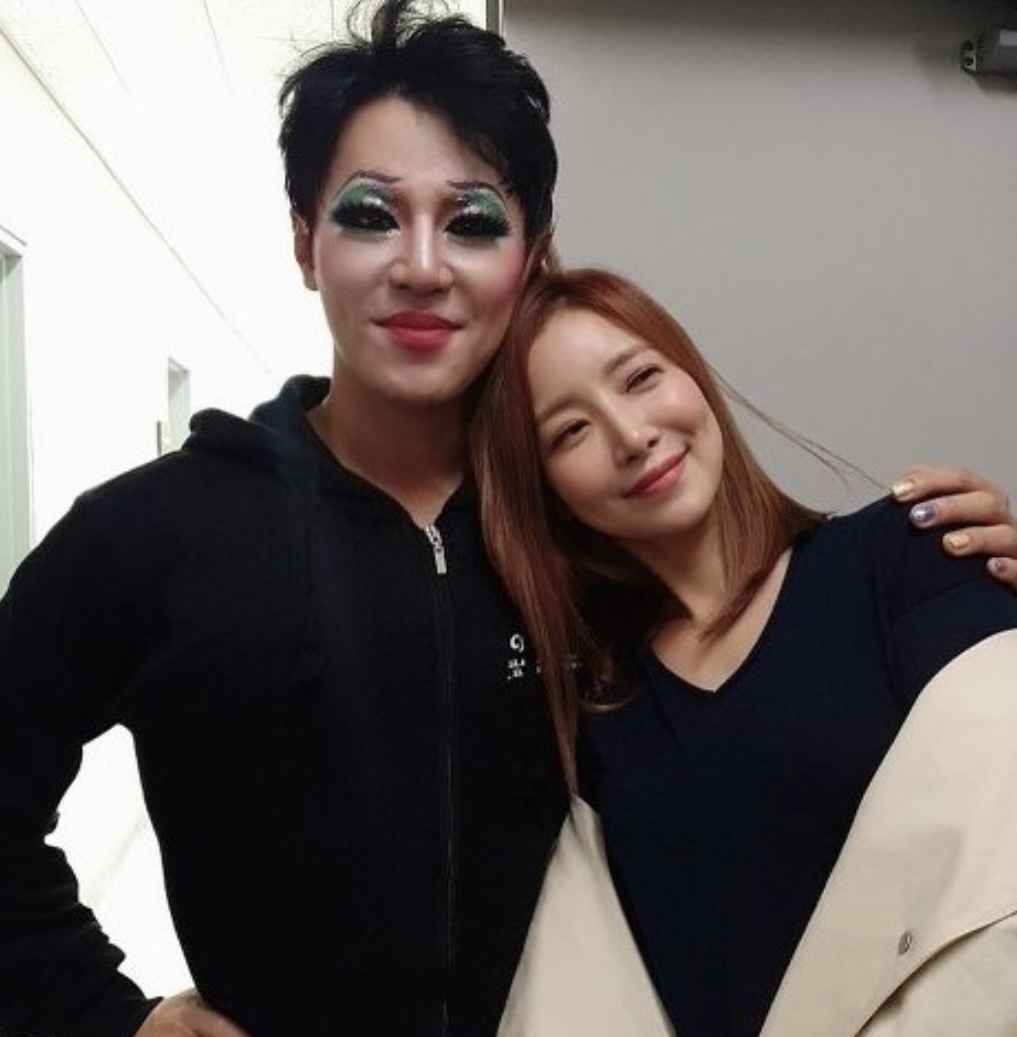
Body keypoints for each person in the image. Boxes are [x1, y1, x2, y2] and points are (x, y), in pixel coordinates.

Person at [0, 3, 1013, 1036]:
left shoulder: (581, 541)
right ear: (305, 242)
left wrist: (957, 576)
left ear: (530, 255)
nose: (422, 265)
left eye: (473, 220)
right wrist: (101, 1013)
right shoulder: (153, 535)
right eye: (369, 213)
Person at [471, 267, 1017, 1037]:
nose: (631, 435)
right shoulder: (594, 721)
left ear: (692, 375)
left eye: (640, 377)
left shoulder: (908, 556)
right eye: (570, 431)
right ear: (549, 493)